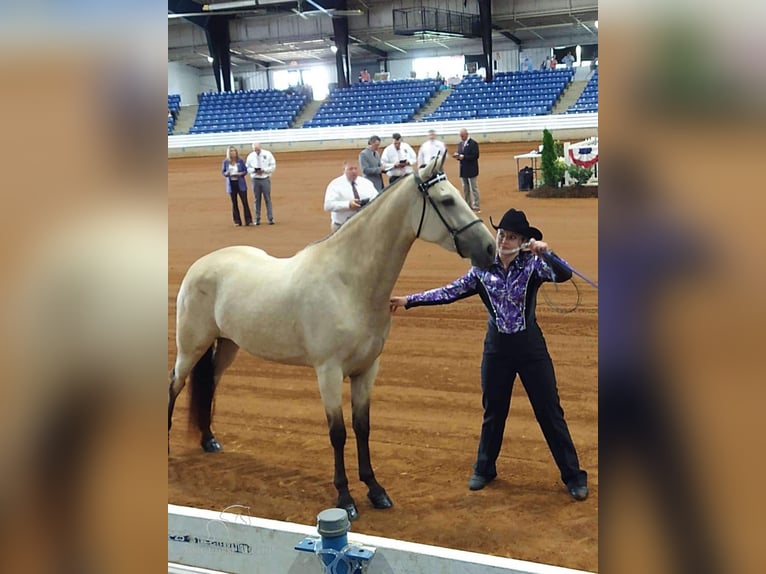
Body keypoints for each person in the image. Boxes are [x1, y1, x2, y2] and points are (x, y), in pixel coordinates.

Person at [389, 208, 588, 501]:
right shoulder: (481, 269)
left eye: (512, 237)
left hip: (530, 347)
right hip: (496, 350)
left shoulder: (533, 265)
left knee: (549, 411)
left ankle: (573, 476)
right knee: (494, 410)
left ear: (523, 241)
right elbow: (449, 292)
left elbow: (564, 274)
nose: (504, 240)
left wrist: (547, 252)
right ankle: (484, 468)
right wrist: (409, 300)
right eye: (502, 234)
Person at [323, 160, 379, 232]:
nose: (354, 171)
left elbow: (377, 198)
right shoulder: (335, 185)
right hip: (342, 227)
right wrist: (348, 205)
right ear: (344, 170)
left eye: (355, 168)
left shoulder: (366, 183)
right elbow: (328, 205)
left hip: (364, 225)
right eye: (350, 169)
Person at [245, 142, 276, 225]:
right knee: (256, 199)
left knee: (267, 198)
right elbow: (247, 167)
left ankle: (270, 218)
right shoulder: (250, 156)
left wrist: (264, 170)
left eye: (258, 149)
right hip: (255, 179)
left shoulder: (267, 154)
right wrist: (254, 171)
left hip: (265, 178)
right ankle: (257, 218)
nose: (257, 151)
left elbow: (272, 166)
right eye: (255, 150)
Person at [221, 146, 253, 227]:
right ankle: (237, 221)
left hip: (240, 183)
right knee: (234, 203)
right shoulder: (225, 162)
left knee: (244, 202)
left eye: (234, 151)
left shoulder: (240, 161)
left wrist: (240, 174)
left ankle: (248, 220)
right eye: (231, 151)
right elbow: (223, 172)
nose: (233, 153)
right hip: (231, 183)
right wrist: (226, 173)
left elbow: (245, 171)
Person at [453, 128, 481, 212]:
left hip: (471, 169)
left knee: (473, 188)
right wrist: (457, 156)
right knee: (465, 188)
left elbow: (475, 156)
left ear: (466, 134)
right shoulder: (460, 144)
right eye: (460, 136)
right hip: (463, 169)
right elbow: (461, 155)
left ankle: (476, 205)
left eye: (462, 135)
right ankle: (467, 205)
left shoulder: (473, 143)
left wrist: (464, 157)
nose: (461, 137)